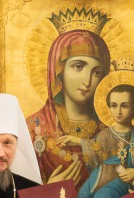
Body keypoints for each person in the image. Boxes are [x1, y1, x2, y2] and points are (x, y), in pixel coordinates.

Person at [26, 28, 111, 188]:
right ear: (58, 70)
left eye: (96, 72)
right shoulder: (33, 129)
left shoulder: (109, 134)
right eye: (78, 66)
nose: (87, 81)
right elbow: (17, 192)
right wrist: (49, 190)